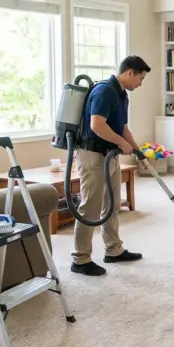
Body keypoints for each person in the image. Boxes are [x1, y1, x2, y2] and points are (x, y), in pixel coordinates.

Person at [71, 56, 152, 276]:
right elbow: (96, 125)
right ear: (129, 73)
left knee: (112, 204)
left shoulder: (122, 94)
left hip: (111, 156)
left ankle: (114, 249)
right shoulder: (105, 91)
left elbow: (123, 128)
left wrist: (137, 151)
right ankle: (80, 258)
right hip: (93, 156)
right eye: (140, 78)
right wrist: (122, 143)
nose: (141, 83)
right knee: (91, 207)